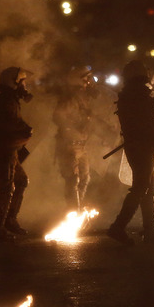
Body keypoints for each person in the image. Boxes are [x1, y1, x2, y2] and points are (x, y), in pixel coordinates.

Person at [105, 60, 154, 245]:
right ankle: (118, 227)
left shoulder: (132, 94)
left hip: (140, 145)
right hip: (140, 145)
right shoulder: (137, 96)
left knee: (148, 186)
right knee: (142, 187)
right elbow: (143, 122)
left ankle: (150, 230)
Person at [0, 66, 34, 241]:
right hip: (5, 149)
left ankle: (9, 221)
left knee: (21, 181)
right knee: (7, 186)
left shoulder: (9, 99)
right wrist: (26, 130)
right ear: (14, 82)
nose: (25, 86)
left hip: (9, 149)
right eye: (23, 81)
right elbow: (9, 125)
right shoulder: (7, 101)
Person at [52, 65, 99, 211]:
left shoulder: (83, 98)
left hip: (81, 145)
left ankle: (76, 210)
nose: (89, 82)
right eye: (86, 78)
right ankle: (73, 212)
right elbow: (58, 116)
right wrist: (72, 127)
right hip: (69, 145)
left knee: (84, 178)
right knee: (73, 180)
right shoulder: (69, 98)